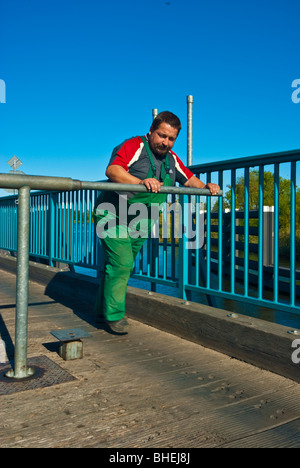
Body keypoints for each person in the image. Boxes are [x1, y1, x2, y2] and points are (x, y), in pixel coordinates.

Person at [93, 111, 220, 334]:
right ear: (151, 131)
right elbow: (113, 170)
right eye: (162, 136)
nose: (165, 142)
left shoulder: (171, 159)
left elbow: (188, 178)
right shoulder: (135, 145)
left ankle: (100, 311)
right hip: (112, 213)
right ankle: (114, 316)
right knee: (121, 263)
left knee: (119, 266)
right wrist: (140, 181)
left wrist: (206, 187)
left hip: (141, 218)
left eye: (171, 139)